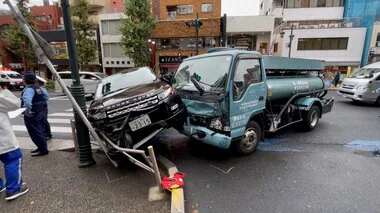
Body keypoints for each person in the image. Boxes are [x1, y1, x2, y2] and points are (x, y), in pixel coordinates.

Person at [0, 85, 29, 201]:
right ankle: (13, 189)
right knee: (13, 159)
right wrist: (3, 91)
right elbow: (15, 103)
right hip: (3, 139)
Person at [21, 71, 49, 157]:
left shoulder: (29, 89)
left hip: (32, 114)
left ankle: (43, 150)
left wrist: (27, 111)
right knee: (40, 131)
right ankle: (41, 147)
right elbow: (46, 98)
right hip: (40, 112)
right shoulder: (38, 88)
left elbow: (27, 102)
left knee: (35, 132)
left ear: (25, 80)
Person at [35, 76, 52, 140]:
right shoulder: (40, 89)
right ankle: (47, 134)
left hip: (42, 106)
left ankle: (47, 134)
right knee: (44, 120)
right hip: (42, 105)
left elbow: (46, 97)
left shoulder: (40, 89)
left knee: (43, 120)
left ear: (38, 83)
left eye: (35, 81)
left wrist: (42, 102)